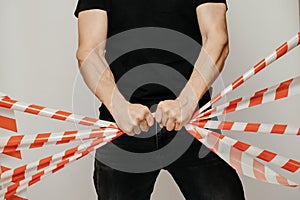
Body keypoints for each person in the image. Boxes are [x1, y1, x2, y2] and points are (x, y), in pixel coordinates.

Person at [74, 0, 245, 199]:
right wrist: (119, 107)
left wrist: (186, 102)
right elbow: (89, 52)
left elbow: (216, 38)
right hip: (122, 127)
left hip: (194, 123)